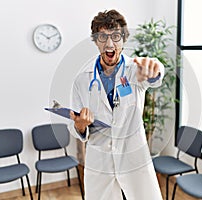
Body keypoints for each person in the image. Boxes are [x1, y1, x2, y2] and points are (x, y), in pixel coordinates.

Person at [69, 9, 164, 200]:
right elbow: (76, 125)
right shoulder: (82, 80)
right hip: (99, 158)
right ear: (96, 41)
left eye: (116, 37)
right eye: (103, 37)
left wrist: (155, 70)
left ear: (124, 39)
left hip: (133, 154)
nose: (109, 44)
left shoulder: (135, 70)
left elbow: (156, 71)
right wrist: (80, 126)